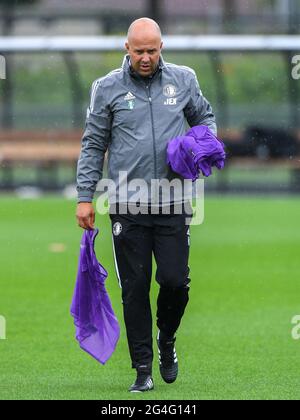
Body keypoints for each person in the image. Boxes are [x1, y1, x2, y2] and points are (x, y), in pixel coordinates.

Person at [76, 17, 217, 393]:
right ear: (127, 48)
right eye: (139, 50)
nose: (145, 57)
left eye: (152, 50)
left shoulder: (184, 79)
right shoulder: (106, 88)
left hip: (173, 202)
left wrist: (200, 144)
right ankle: (142, 369)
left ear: (161, 48)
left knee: (175, 282)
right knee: (134, 289)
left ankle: (166, 340)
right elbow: (93, 144)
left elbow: (204, 118)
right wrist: (85, 197)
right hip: (126, 204)